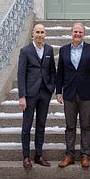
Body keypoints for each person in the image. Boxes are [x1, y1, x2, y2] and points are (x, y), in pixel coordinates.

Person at [55, 22, 90, 168]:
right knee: (70, 126)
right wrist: (58, 91)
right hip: (69, 93)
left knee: (85, 125)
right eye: (75, 32)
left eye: (80, 32)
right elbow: (59, 73)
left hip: (86, 93)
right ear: (71, 33)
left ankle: (85, 155)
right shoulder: (63, 50)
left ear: (84, 34)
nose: (78, 34)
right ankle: (69, 155)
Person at [17, 23, 56, 169]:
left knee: (41, 125)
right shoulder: (25, 51)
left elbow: (52, 70)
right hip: (30, 95)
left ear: (45, 34)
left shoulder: (49, 50)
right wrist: (22, 96)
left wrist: (51, 87)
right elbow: (21, 74)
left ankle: (38, 155)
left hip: (44, 93)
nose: (40, 35)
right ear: (32, 33)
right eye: (37, 32)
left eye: (42, 32)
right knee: (27, 127)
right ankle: (26, 157)